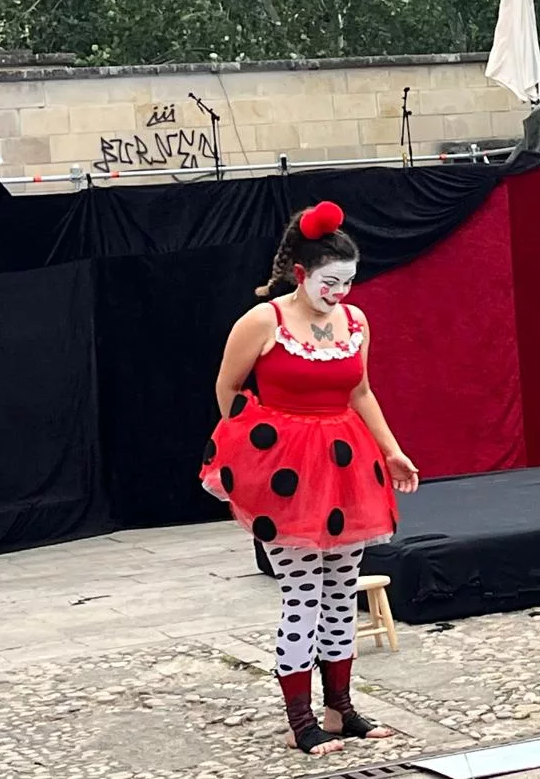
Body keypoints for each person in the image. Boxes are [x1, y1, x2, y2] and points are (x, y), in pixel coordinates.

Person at [200, 201, 420, 756]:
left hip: (345, 466)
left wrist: (392, 451)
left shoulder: (355, 322)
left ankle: (340, 707)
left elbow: (361, 391)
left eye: (348, 281)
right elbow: (228, 389)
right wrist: (255, 450)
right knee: (302, 594)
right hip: (288, 474)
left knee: (342, 591)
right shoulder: (264, 322)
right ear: (300, 274)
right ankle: (301, 719)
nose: (340, 292)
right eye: (330, 281)